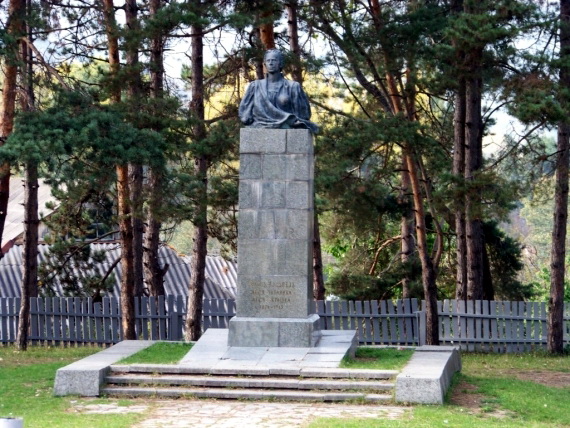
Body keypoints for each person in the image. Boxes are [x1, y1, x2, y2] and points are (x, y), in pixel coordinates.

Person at [238, 49, 319, 134]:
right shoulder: (255, 87)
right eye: (268, 61)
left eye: (274, 60)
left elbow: (304, 115)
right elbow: (245, 115)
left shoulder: (293, 87)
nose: (271, 63)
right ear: (264, 64)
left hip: (289, 130)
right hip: (259, 126)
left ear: (280, 63)